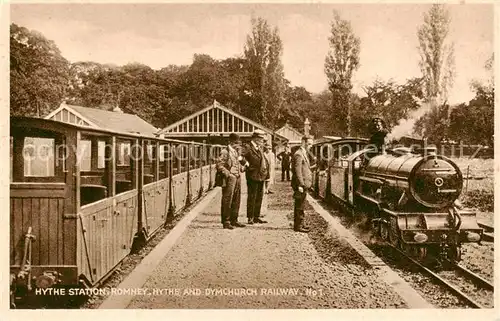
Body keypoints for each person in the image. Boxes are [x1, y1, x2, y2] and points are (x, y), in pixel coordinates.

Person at [216, 133, 246, 229]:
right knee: (227, 199)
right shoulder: (225, 152)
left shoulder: (236, 152)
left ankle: (234, 220)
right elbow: (219, 166)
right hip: (230, 178)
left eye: (238, 143)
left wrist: (242, 168)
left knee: (236, 199)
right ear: (231, 142)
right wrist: (228, 174)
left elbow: (237, 164)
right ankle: (226, 221)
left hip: (237, 177)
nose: (238, 145)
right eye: (236, 143)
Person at [241, 129, 269, 224]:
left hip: (260, 176)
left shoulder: (259, 148)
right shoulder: (247, 147)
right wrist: (247, 164)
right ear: (256, 138)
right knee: (252, 196)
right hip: (252, 175)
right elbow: (240, 157)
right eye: (261, 139)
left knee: (259, 197)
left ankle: (256, 216)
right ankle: (250, 217)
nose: (262, 141)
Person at [291, 135, 314, 233]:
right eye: (309, 144)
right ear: (303, 142)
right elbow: (297, 171)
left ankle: (301, 223)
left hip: (304, 183)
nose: (310, 146)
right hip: (301, 184)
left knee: (302, 204)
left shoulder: (303, 153)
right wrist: (300, 184)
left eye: (311, 144)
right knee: (299, 205)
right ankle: (298, 226)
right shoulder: (299, 154)